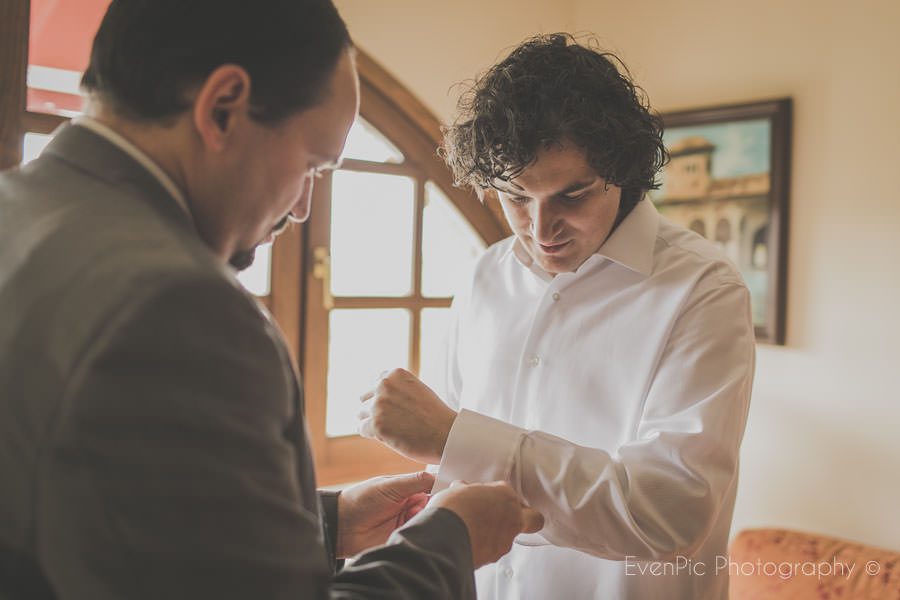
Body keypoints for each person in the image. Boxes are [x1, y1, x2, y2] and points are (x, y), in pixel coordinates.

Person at [0, 1, 543, 598]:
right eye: (312, 165)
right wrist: (451, 542)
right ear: (224, 107)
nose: (302, 207)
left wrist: (322, 524)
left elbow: (119, 520)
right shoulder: (177, 307)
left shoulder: (18, 212)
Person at [358, 33, 755, 599]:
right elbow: (459, 469)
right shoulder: (484, 277)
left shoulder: (702, 291)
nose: (541, 231)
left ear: (624, 170)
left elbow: (671, 515)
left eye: (574, 195)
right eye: (516, 196)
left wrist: (454, 434)